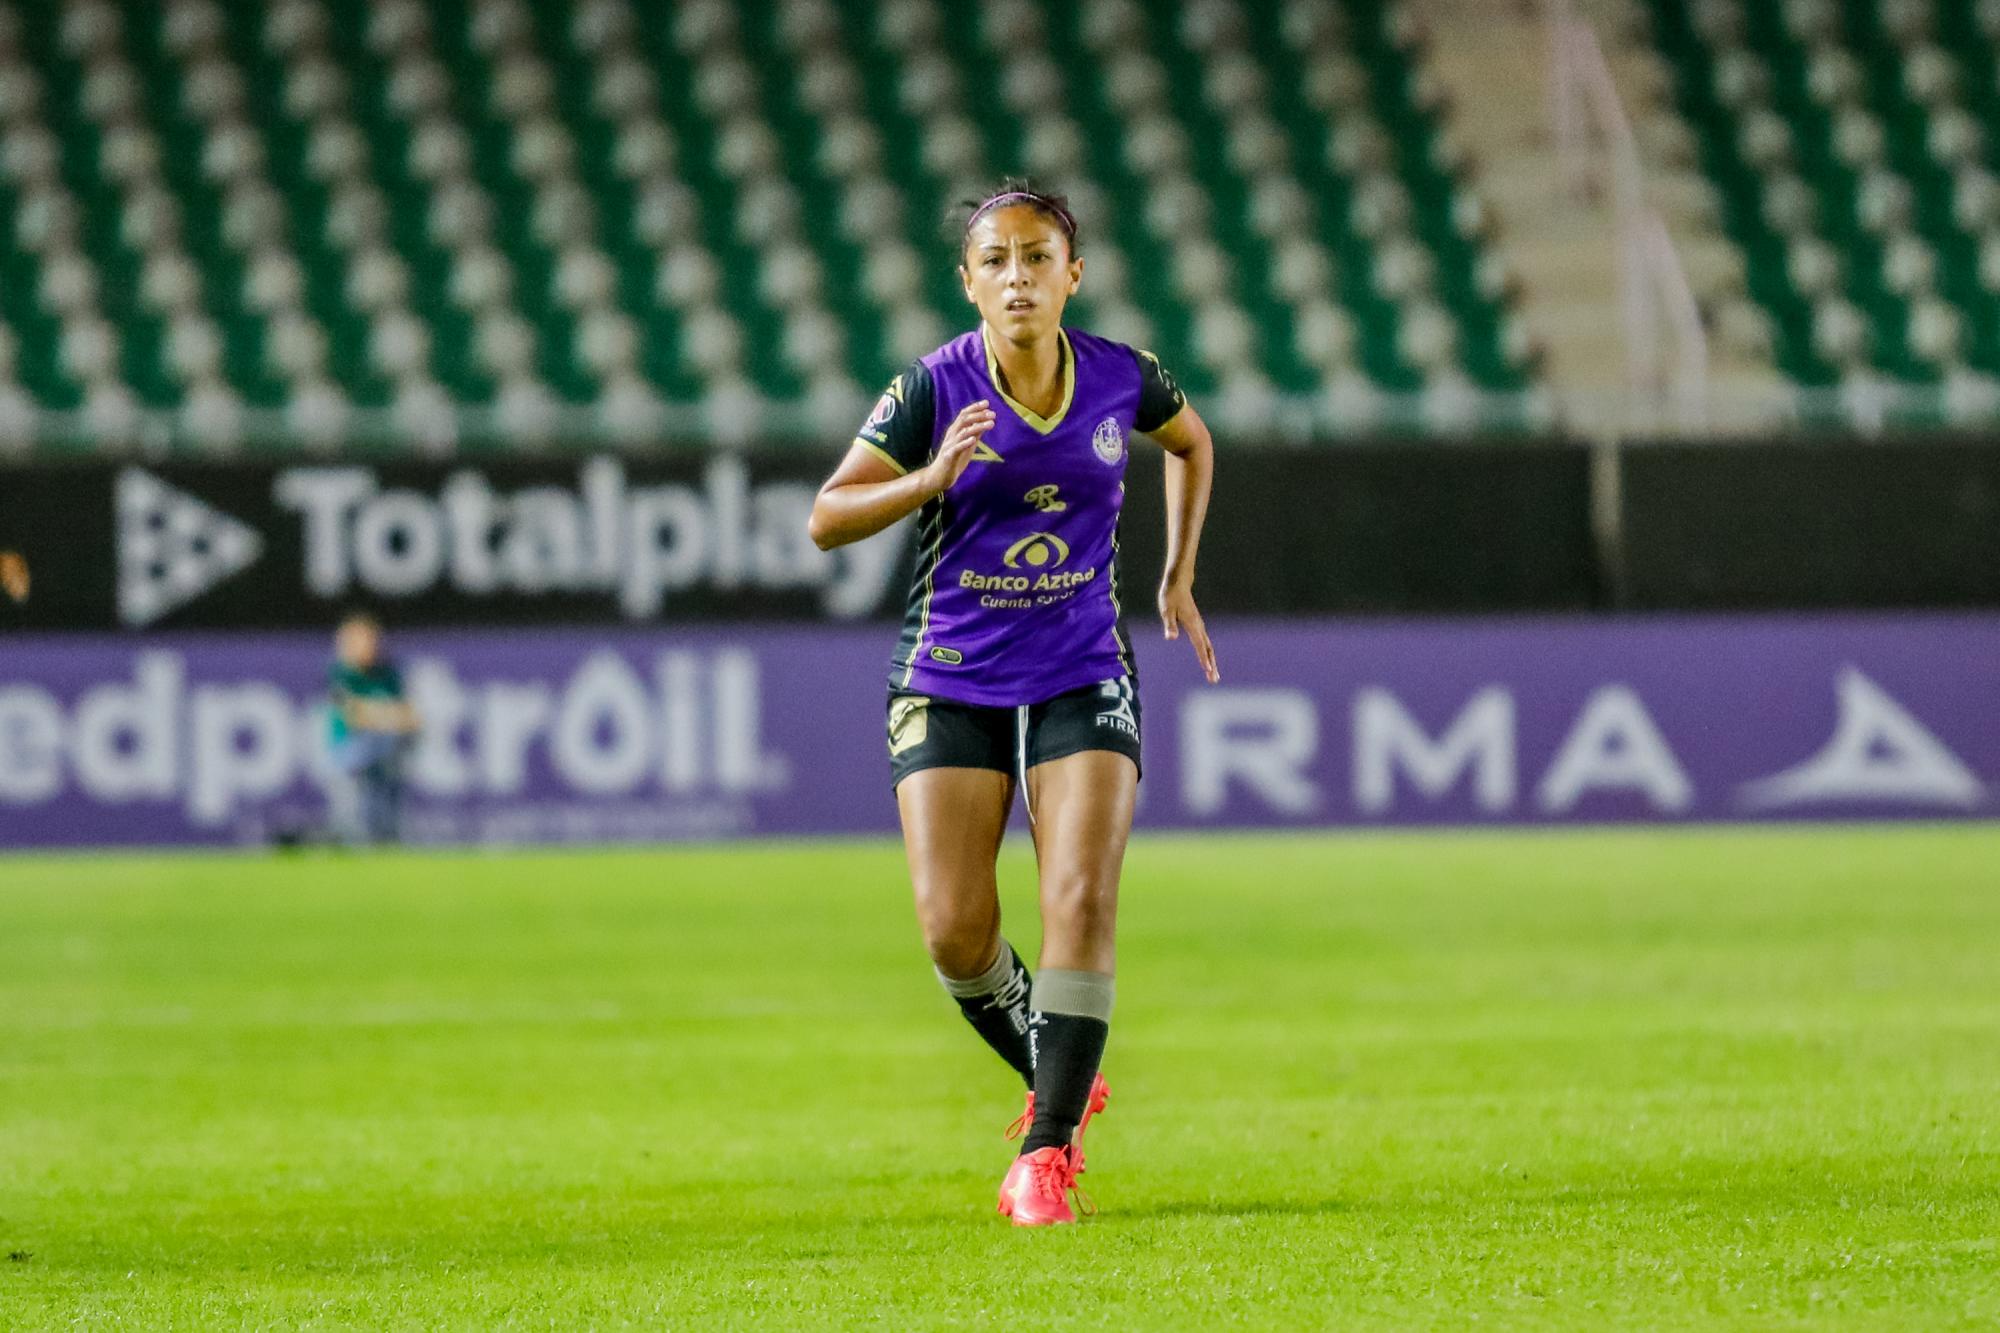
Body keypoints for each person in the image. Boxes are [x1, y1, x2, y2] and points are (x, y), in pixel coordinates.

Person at [808, 180, 1220, 1226]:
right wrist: (928, 478)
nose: (1017, 277)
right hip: (952, 671)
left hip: (1081, 662)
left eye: (1037, 257)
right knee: (954, 930)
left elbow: (1191, 442)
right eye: (994, 260)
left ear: (1071, 275)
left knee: (1078, 895)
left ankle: (1046, 1151)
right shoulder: (931, 388)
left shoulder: (1122, 375)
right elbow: (826, 515)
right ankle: (1061, 1060)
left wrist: (1176, 572)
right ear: (968, 283)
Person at [325, 612, 419, 846]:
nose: (368, 646)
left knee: (393, 748)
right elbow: (353, 715)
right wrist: (389, 715)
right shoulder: (339, 675)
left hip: (385, 759)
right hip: (351, 754)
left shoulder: (388, 675)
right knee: (383, 742)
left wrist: (376, 714)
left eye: (371, 639)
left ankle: (385, 838)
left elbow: (412, 718)